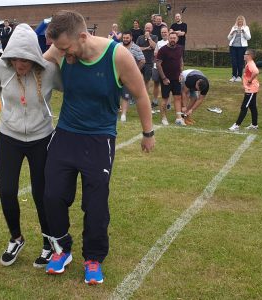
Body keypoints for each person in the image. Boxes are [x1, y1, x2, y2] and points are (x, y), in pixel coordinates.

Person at [42, 10, 155, 285]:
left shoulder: (117, 55)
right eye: (59, 49)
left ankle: (93, 258)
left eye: (67, 48)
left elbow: (140, 94)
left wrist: (148, 133)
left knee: (95, 205)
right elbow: (33, 63)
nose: (63, 55)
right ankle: (62, 249)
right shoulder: (61, 50)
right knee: (52, 196)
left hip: (99, 138)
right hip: (66, 134)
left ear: (83, 36)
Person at [0, 24, 62, 268]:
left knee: (42, 194)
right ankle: (16, 238)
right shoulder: (0, 67)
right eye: (16, 58)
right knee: (7, 191)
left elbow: (72, 89)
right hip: (9, 136)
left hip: (41, 138)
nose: (21, 64)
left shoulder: (49, 70)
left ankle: (48, 243)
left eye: (26, 59)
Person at [156, 31, 185, 126]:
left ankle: (179, 118)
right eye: (171, 38)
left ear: (177, 39)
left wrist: (181, 73)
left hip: (176, 78)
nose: (172, 39)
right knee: (165, 98)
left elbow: (181, 61)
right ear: (168, 38)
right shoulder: (163, 50)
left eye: (174, 38)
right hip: (166, 79)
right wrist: (164, 78)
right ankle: (164, 118)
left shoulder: (180, 48)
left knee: (177, 97)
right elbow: (158, 64)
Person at [229, 49, 259, 131]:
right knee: (252, 107)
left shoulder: (250, 64)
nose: (243, 55)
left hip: (251, 89)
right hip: (251, 89)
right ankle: (254, 125)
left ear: (249, 56)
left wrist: (250, 81)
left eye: (245, 54)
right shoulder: (249, 63)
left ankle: (237, 125)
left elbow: (256, 72)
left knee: (244, 107)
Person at [120, 30, 145, 122]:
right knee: (113, 94)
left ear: (131, 38)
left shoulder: (136, 48)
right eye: (124, 38)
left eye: (127, 38)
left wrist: (135, 71)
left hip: (128, 76)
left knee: (125, 95)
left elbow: (142, 60)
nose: (125, 39)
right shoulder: (118, 46)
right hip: (117, 74)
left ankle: (123, 114)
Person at [136, 22, 158, 108]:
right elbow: (137, 48)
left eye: (149, 28)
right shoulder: (139, 38)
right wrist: (146, 48)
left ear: (151, 29)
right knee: (137, 79)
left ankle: (144, 98)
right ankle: (135, 97)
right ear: (144, 28)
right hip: (139, 61)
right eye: (146, 28)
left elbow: (154, 46)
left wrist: (149, 38)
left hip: (149, 62)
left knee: (147, 80)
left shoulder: (154, 37)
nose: (148, 29)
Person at [227, 15, 251, 82]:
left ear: (243, 21)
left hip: (242, 47)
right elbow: (228, 38)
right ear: (237, 21)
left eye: (241, 20)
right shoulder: (234, 27)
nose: (240, 21)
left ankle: (239, 76)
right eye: (238, 20)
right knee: (234, 62)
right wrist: (232, 33)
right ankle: (234, 76)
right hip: (233, 47)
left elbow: (248, 38)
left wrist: (244, 32)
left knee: (240, 62)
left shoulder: (246, 28)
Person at [152, 26, 169, 108]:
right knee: (156, 83)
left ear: (168, 32)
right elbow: (155, 54)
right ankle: (155, 101)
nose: (163, 34)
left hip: (167, 67)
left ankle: (167, 103)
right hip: (157, 67)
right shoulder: (159, 43)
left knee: (167, 85)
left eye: (165, 32)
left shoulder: (171, 42)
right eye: (162, 32)